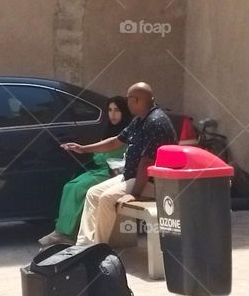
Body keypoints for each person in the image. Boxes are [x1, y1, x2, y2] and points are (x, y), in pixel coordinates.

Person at [62, 82, 177, 245]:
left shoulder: (155, 121)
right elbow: (116, 141)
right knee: (93, 193)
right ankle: (83, 245)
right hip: (132, 176)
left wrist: (134, 194)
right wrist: (84, 149)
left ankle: (98, 247)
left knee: (106, 198)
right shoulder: (140, 119)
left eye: (128, 99)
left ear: (136, 100)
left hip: (153, 182)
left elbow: (146, 162)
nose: (127, 102)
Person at [38, 96, 133, 246]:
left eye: (117, 110)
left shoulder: (128, 131)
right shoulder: (108, 129)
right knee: (70, 186)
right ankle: (61, 231)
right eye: (110, 110)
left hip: (114, 173)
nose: (113, 114)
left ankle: (70, 234)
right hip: (100, 170)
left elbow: (113, 150)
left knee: (79, 189)